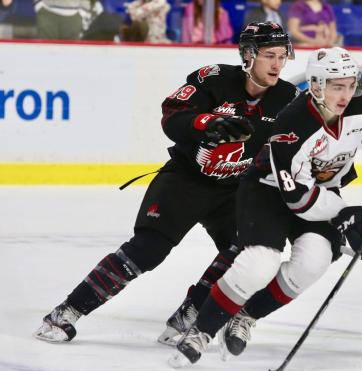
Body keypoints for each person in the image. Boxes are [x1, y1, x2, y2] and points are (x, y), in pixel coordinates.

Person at [168, 47, 362, 367]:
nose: (345, 95)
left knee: (314, 261)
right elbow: (298, 199)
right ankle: (200, 332)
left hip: (322, 191)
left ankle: (246, 316)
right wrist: (345, 216)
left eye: (349, 84)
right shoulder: (293, 125)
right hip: (267, 191)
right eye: (335, 86)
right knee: (261, 263)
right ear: (315, 86)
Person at [33, 22, 299, 344]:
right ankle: (67, 312)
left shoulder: (288, 98)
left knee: (249, 251)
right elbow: (172, 115)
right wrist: (206, 122)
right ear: (247, 55)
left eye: (282, 56)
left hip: (236, 191)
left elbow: (303, 145)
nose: (277, 64)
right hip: (186, 181)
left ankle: (189, 316)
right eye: (269, 55)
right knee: (148, 249)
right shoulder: (213, 78)